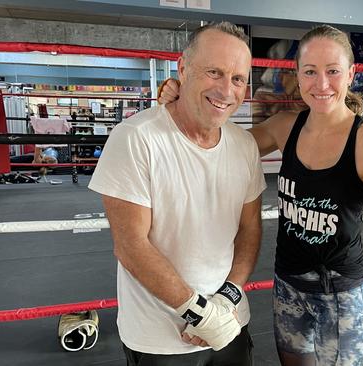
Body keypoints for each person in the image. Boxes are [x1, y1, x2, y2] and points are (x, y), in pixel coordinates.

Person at [159, 24, 363, 366]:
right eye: (310, 72)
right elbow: (218, 145)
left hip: (341, 295)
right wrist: (183, 103)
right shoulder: (286, 126)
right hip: (288, 286)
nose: (322, 84)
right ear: (298, 76)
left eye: (332, 71)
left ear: (351, 74)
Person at [89, 22, 266, 366]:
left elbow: (249, 229)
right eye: (214, 72)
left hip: (229, 324)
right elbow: (131, 245)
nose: (226, 90)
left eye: (238, 78)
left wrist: (225, 302)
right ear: (183, 69)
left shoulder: (244, 144)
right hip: (160, 339)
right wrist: (200, 314)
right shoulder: (136, 138)